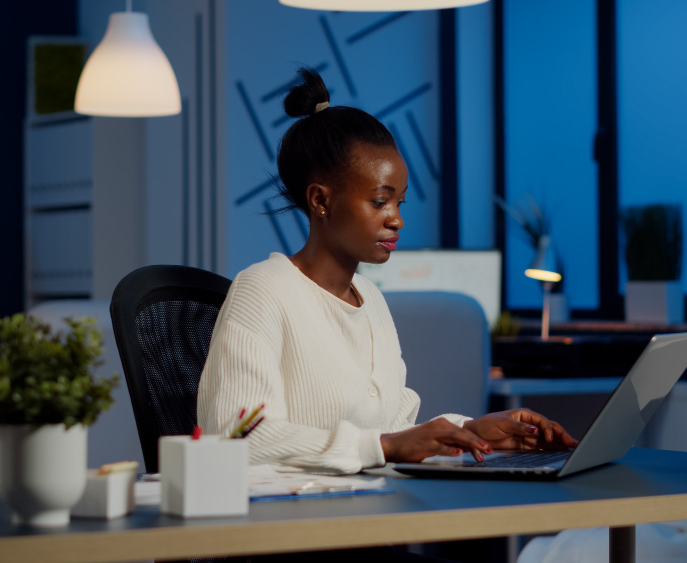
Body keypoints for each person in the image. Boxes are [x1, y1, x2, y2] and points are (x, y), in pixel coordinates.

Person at [197, 67, 576, 478]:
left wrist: (470, 433)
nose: (397, 220)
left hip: (370, 518)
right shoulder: (263, 290)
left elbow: (391, 434)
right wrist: (385, 445)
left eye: (400, 202)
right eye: (380, 202)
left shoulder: (370, 298)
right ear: (320, 200)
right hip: (293, 531)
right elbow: (237, 437)